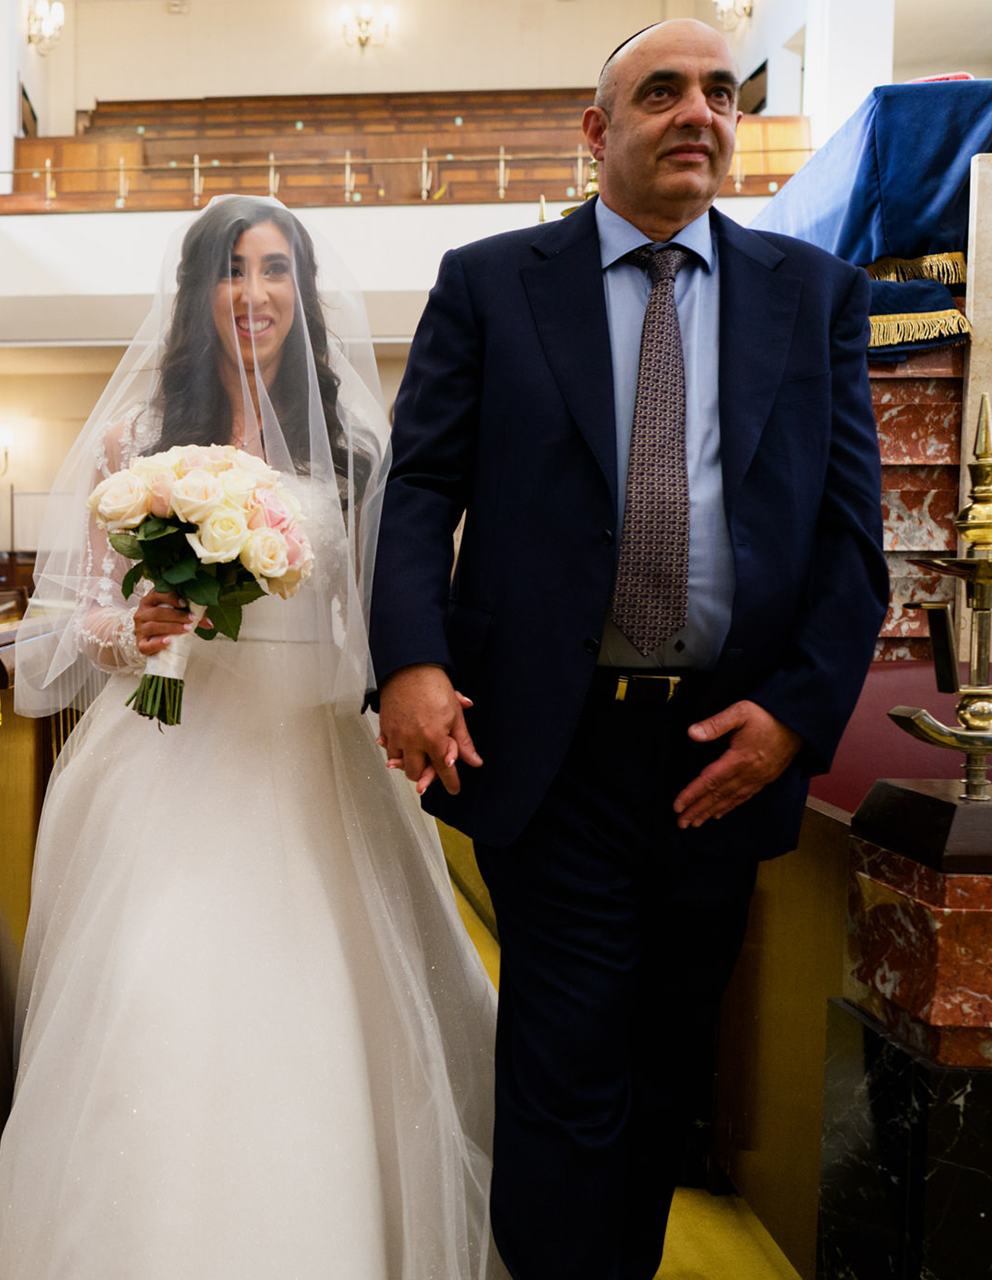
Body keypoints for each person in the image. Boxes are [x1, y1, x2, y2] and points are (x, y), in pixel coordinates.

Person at [371, 21, 888, 1280]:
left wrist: (796, 718)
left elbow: (851, 540)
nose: (698, 112)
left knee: (663, 1073)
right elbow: (420, 488)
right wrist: (410, 659)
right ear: (599, 131)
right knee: (562, 1063)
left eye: (720, 91)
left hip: (726, 752)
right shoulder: (491, 281)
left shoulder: (812, 295)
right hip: (553, 740)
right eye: (662, 92)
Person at [0, 195, 501, 1279]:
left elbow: (383, 615)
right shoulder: (139, 441)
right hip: (167, 749)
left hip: (309, 751)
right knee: (151, 988)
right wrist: (128, 627)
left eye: (277, 270)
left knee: (323, 1011)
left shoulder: (358, 444)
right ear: (198, 292)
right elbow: (56, 628)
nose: (256, 292)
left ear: (302, 294)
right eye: (232, 270)